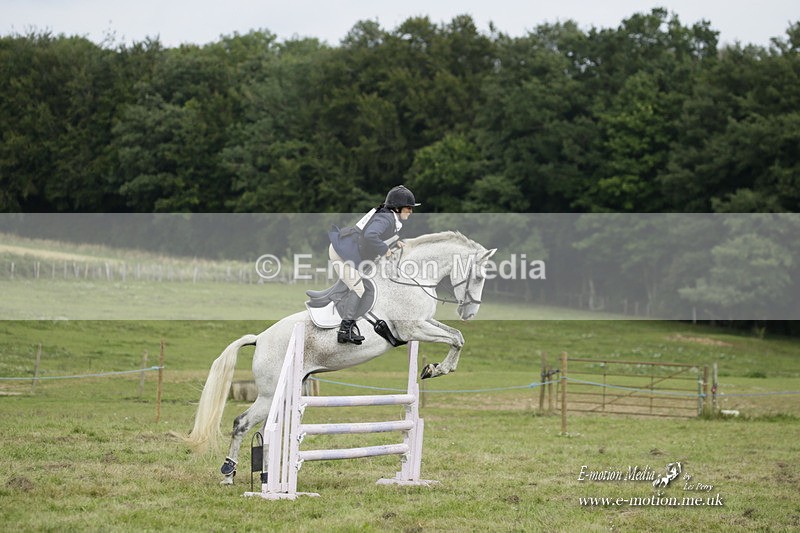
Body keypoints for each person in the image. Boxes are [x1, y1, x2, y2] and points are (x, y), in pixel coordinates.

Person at [328, 185, 420, 344]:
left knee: (361, 283)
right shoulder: (386, 218)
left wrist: (393, 243)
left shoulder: (389, 217)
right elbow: (371, 235)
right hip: (341, 252)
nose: (411, 211)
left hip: (349, 251)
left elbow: (373, 236)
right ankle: (344, 329)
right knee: (358, 287)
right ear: (397, 208)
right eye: (408, 208)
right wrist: (386, 250)